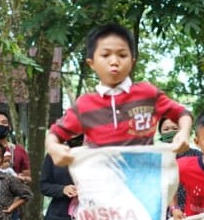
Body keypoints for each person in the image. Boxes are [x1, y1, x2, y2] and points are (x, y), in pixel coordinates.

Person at [45, 23, 193, 164]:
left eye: (122, 55)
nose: (114, 61)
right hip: (102, 184)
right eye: (105, 55)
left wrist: (184, 132)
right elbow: (55, 133)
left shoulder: (147, 93)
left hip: (143, 182)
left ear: (132, 61)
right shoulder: (85, 104)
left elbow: (182, 113)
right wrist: (53, 148)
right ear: (92, 63)